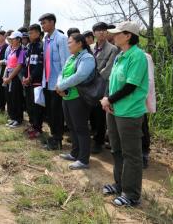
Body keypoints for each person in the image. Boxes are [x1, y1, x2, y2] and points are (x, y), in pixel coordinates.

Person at [100, 21, 148, 207]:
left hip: (129, 112)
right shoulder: (121, 55)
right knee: (116, 149)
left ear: (128, 35)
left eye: (118, 33)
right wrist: (106, 98)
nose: (114, 35)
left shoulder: (137, 56)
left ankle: (132, 194)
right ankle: (119, 184)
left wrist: (109, 100)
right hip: (114, 109)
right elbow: (112, 81)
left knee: (131, 154)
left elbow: (130, 86)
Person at [56, 34, 96, 170]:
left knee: (81, 128)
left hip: (78, 98)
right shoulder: (71, 58)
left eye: (70, 43)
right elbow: (62, 73)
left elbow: (80, 76)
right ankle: (74, 153)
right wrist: (59, 85)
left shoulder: (87, 58)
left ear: (79, 43)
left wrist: (62, 86)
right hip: (66, 97)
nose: (68, 45)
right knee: (72, 127)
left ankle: (83, 159)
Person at [40, 13, 70, 150]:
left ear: (52, 22)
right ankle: (53, 136)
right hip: (47, 81)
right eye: (41, 23)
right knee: (50, 112)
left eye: (44, 22)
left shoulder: (61, 38)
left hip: (57, 83)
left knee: (57, 112)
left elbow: (65, 63)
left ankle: (58, 139)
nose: (42, 25)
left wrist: (63, 83)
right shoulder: (45, 39)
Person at [89, 22, 119, 154]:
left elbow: (108, 70)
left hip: (102, 86)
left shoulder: (112, 49)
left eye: (104, 30)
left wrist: (92, 78)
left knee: (100, 115)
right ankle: (93, 136)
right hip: (88, 86)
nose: (101, 32)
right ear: (94, 33)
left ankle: (99, 141)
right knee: (91, 113)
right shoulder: (89, 47)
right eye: (98, 30)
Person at [22, 24, 44, 139]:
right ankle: (32, 125)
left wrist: (31, 78)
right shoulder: (29, 47)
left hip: (36, 82)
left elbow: (40, 66)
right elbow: (26, 65)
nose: (30, 35)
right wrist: (24, 77)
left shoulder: (41, 46)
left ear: (38, 33)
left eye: (32, 33)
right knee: (29, 105)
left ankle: (38, 128)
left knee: (36, 107)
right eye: (29, 33)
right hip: (28, 82)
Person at [3, 31, 25, 128]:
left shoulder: (21, 51)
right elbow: (8, 64)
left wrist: (10, 77)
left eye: (13, 39)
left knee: (16, 98)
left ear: (19, 40)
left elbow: (19, 66)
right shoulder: (11, 50)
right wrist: (5, 76)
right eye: (11, 39)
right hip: (8, 76)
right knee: (10, 97)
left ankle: (18, 119)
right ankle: (12, 117)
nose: (11, 40)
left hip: (15, 77)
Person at [142, 52, 156, 169]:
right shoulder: (121, 55)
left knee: (142, 127)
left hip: (139, 100)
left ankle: (143, 154)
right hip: (127, 102)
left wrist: (141, 99)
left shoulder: (145, 57)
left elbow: (149, 80)